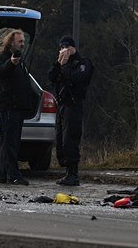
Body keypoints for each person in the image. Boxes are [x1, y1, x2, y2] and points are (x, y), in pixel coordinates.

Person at [48, 36, 93, 186]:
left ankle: (73, 173)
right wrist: (58, 64)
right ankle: (66, 170)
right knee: (60, 140)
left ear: (73, 48)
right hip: (62, 105)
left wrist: (66, 66)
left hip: (74, 105)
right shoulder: (61, 64)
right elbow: (52, 78)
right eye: (61, 48)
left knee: (70, 139)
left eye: (67, 47)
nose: (64, 50)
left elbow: (77, 78)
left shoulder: (83, 63)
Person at [0, 29, 35, 186]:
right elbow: (0, 73)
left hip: (17, 106)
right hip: (8, 106)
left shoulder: (20, 61)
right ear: (11, 42)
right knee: (10, 142)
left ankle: (3, 174)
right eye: (20, 41)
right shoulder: (3, 59)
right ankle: (13, 174)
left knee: (10, 141)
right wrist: (11, 64)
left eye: (23, 41)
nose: (22, 44)